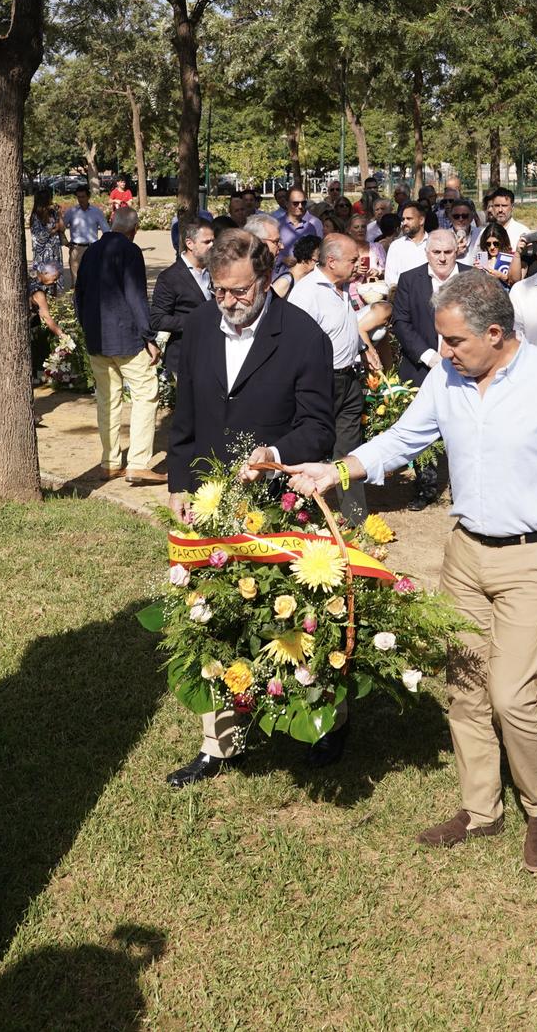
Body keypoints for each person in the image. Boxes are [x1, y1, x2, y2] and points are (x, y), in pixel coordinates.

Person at [283, 270, 537, 874]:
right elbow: (404, 438)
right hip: (466, 553)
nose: (443, 353)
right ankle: (481, 810)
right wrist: (335, 472)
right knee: (465, 683)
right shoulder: (448, 378)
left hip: (536, 555)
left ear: (495, 334)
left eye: (455, 342)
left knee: (511, 692)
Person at [161, 228, 334, 788]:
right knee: (209, 616)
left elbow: (318, 427)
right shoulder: (198, 327)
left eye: (239, 292)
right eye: (219, 291)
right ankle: (219, 744)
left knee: (295, 616)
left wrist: (275, 454)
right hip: (212, 501)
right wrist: (178, 481)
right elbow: (184, 411)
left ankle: (319, 724)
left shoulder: (305, 336)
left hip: (280, 499)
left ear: (265, 279)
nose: (228, 303)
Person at [287, 234, 376, 528]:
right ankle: (297, 512)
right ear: (331, 261)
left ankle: (354, 518)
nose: (358, 264)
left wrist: (364, 348)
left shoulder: (341, 288)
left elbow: (344, 328)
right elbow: (295, 341)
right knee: (311, 447)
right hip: (321, 382)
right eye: (353, 259)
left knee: (349, 451)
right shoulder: (307, 292)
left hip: (349, 378)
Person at [75, 207, 162, 484]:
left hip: (97, 338)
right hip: (127, 339)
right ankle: (137, 462)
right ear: (134, 229)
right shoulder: (129, 250)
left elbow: (79, 294)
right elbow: (136, 296)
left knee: (108, 399)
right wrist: (149, 337)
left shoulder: (91, 251)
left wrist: (86, 328)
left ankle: (110, 461)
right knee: (145, 393)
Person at [392, 229, 471, 511]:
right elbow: (401, 322)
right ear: (427, 252)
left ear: (457, 251)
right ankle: (425, 487)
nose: (442, 258)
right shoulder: (409, 280)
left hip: (465, 366)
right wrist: (428, 356)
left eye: (447, 252)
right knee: (423, 430)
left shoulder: (471, 279)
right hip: (421, 366)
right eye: (436, 252)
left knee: (464, 428)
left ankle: (462, 489)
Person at [149, 218, 214, 384]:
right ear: (190, 244)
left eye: (214, 241)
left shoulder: (215, 270)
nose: (212, 246)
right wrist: (194, 322)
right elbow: (157, 318)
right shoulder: (170, 277)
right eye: (207, 242)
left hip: (213, 355)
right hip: (185, 357)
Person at [382, 202, 430, 285]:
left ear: (421, 220)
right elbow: (390, 279)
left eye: (409, 219)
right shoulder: (396, 246)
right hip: (403, 295)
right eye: (403, 219)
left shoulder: (434, 243)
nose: (404, 223)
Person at [63, 185, 108, 274]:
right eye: (78, 197)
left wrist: (102, 246)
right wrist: (66, 242)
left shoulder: (97, 212)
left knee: (93, 278)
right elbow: (61, 228)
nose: (81, 199)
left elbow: (106, 230)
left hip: (92, 248)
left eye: (83, 197)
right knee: (76, 281)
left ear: (88, 197)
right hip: (76, 249)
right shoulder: (71, 212)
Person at [275, 187, 323, 267]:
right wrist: (282, 259)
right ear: (287, 204)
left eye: (303, 203)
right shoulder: (276, 225)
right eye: (295, 203)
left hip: (305, 276)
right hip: (281, 275)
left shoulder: (310, 227)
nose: (300, 206)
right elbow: (266, 253)